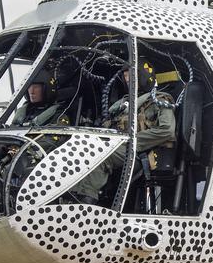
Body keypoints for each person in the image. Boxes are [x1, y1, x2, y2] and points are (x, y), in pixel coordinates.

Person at [70, 64, 176, 205]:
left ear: (143, 76)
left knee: (101, 155)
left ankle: (84, 204)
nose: (127, 80)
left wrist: (131, 141)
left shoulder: (159, 99)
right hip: (117, 145)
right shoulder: (123, 103)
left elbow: (167, 130)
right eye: (125, 76)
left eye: (130, 75)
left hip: (139, 152)